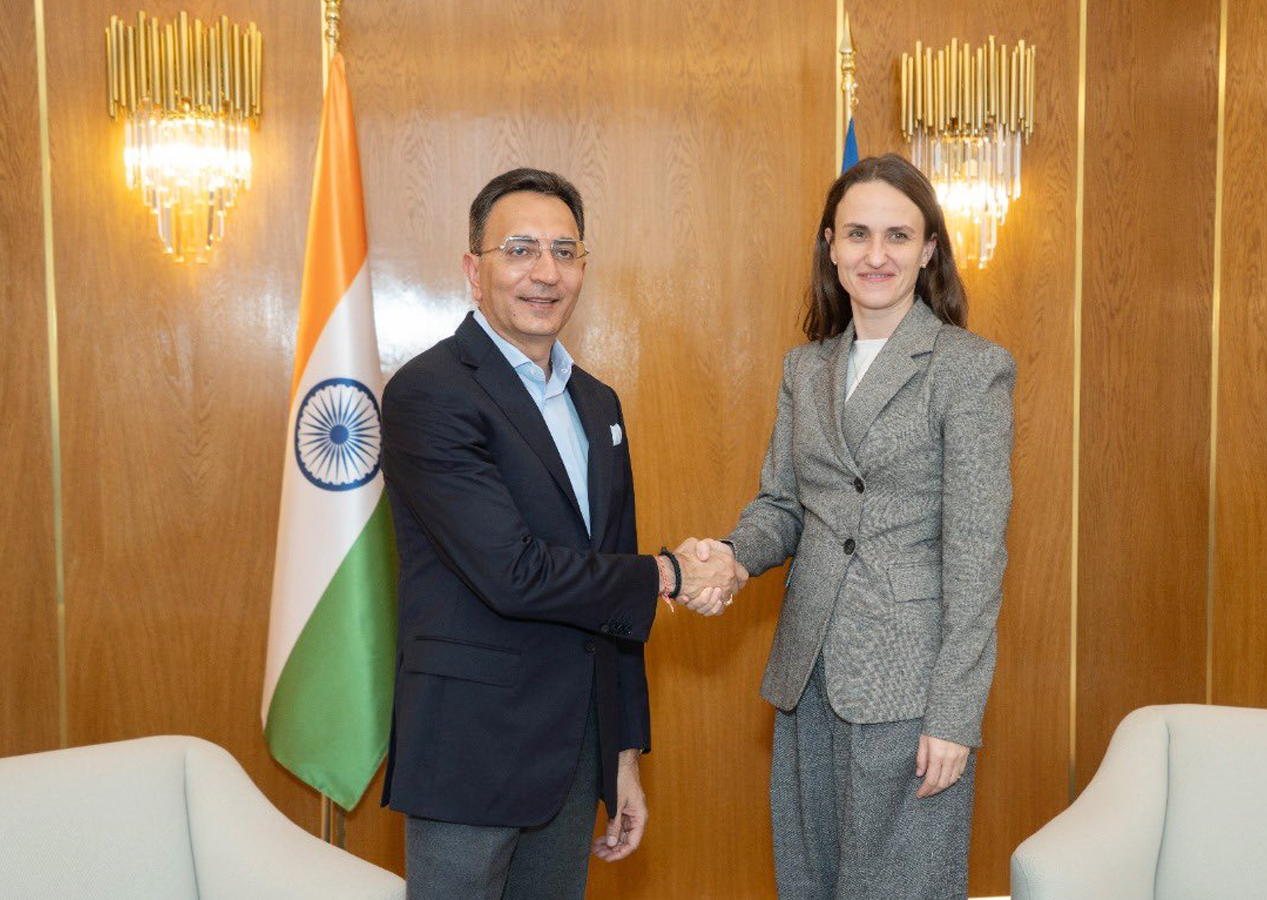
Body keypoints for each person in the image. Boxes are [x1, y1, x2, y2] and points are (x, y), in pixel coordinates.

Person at [379, 167, 742, 900]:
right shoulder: (430, 392)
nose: (545, 272)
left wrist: (624, 754)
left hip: (574, 756)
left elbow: (611, 598)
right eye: (519, 250)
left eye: (564, 251)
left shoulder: (597, 403)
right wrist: (671, 573)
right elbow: (511, 572)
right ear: (473, 270)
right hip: (470, 751)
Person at [686, 153, 1015, 899]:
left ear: (928, 250)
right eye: (858, 234)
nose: (876, 255)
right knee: (809, 884)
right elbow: (783, 507)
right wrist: (732, 558)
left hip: (909, 684)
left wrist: (955, 714)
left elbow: (975, 558)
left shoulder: (969, 369)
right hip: (807, 672)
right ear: (830, 246)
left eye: (899, 236)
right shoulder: (806, 370)